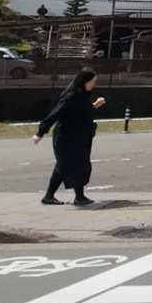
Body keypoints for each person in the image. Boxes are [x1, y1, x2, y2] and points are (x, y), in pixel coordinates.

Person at [35, 69, 105, 206]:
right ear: (84, 81)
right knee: (72, 165)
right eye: (92, 81)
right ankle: (78, 197)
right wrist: (40, 132)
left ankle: (51, 196)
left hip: (80, 137)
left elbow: (82, 112)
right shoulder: (71, 96)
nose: (93, 84)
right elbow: (55, 114)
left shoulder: (83, 96)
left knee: (69, 166)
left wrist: (95, 105)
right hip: (66, 138)